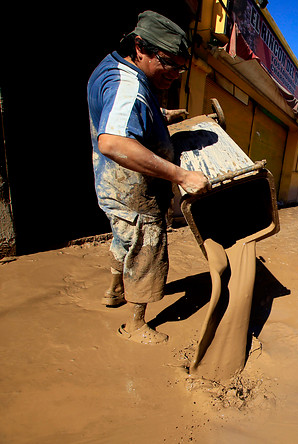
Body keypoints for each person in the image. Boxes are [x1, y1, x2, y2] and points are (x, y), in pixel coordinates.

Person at [87, 10, 210, 344]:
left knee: (124, 239)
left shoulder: (117, 68)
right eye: (167, 63)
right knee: (147, 247)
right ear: (139, 46)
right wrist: (181, 175)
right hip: (133, 189)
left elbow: (122, 114)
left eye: (181, 67)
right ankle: (136, 325)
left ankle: (114, 291)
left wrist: (160, 114)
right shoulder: (128, 85)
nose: (175, 74)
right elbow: (112, 141)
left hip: (113, 185)